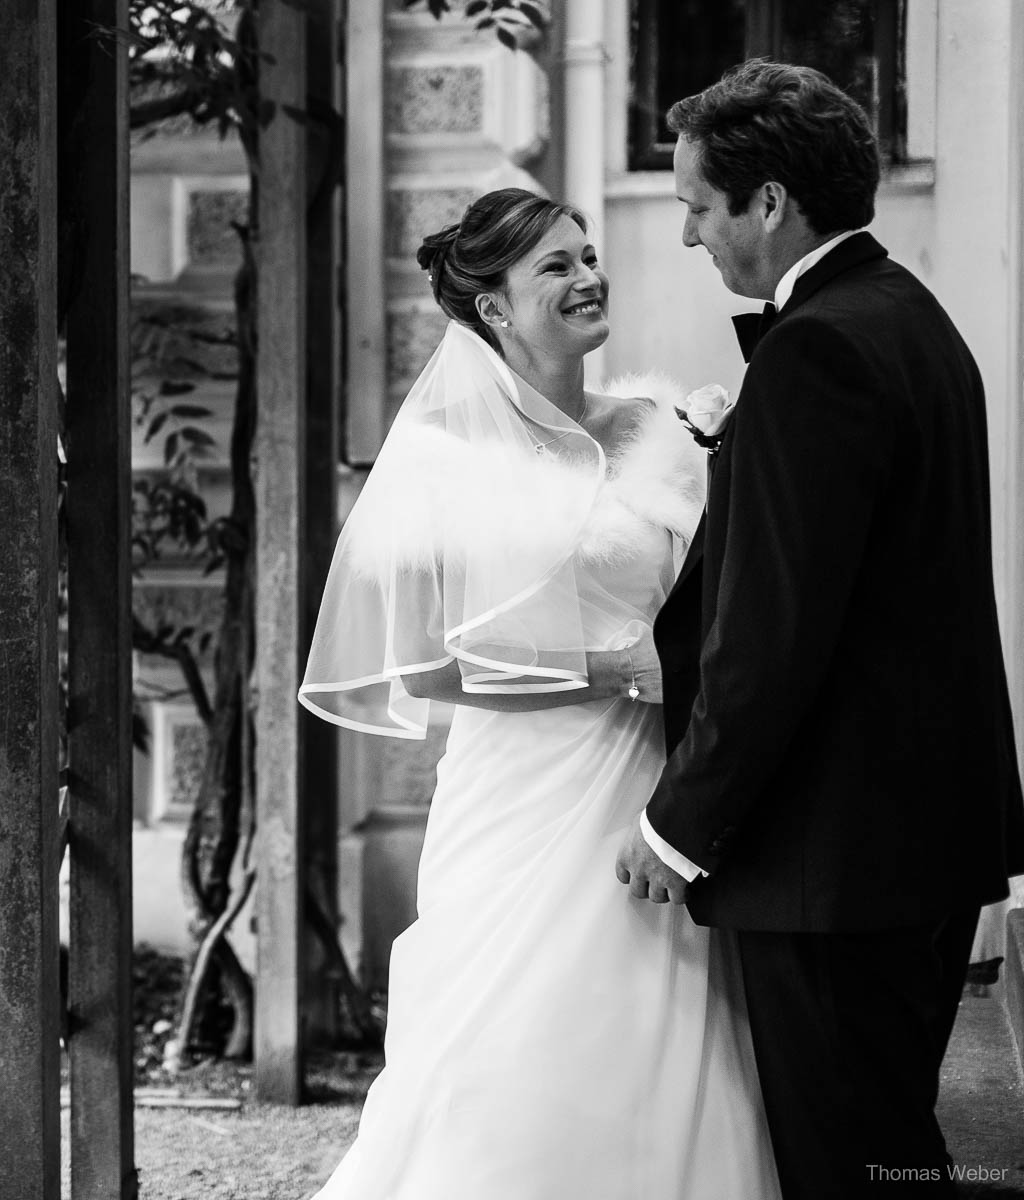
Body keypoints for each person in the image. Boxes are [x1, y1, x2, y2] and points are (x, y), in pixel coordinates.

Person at [299, 188, 781, 1198]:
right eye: (555, 267)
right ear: (496, 311)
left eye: (589, 254)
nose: (589, 276)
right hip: (523, 795)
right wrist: (610, 670)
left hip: (663, 785)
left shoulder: (668, 424)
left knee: (668, 1030)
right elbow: (423, 669)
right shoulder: (443, 461)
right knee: (512, 1043)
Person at [614, 60, 1024, 1198]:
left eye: (699, 204)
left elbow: (773, 630)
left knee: (858, 1162)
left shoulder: (819, 350)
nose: (691, 232)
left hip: (837, 857)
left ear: (770, 202)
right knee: (890, 1141)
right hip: (916, 836)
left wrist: (677, 826)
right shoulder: (909, 313)